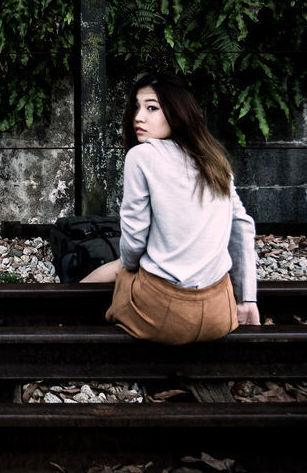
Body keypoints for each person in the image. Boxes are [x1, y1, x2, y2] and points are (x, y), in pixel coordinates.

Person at [81, 72, 259, 344]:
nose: (139, 117)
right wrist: (247, 299)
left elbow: (134, 242)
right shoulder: (214, 160)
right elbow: (242, 227)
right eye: (137, 108)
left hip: (164, 316)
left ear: (177, 112)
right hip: (219, 315)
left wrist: (131, 264)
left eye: (152, 108)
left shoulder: (141, 157)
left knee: (122, 267)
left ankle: (60, 306)